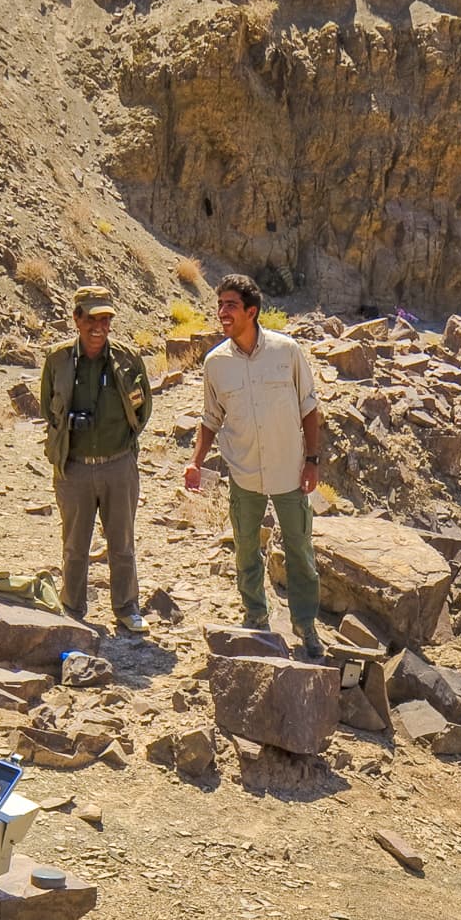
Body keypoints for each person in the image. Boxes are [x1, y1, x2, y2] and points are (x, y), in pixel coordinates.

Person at [185, 274, 325, 661]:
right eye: (220, 305)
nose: (222, 312)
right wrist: (195, 461)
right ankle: (256, 618)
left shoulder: (287, 351)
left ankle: (306, 625)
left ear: (252, 310)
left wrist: (312, 461)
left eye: (231, 305)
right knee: (246, 548)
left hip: (289, 470)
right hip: (244, 472)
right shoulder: (216, 363)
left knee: (299, 549)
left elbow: (309, 408)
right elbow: (210, 418)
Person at [38, 284, 154, 633]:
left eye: (106, 319)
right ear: (76, 319)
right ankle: (72, 607)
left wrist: (120, 445)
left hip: (118, 465)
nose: (99, 327)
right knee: (75, 544)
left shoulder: (126, 358)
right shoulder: (58, 360)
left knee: (122, 543)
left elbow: (143, 407)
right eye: (92, 318)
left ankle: (127, 608)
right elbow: (49, 409)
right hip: (73, 468)